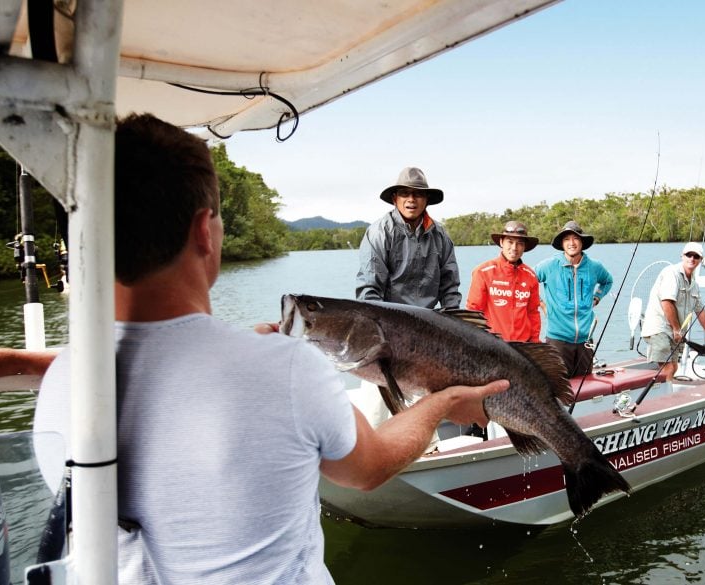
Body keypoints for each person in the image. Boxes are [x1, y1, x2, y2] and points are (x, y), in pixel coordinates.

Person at [31, 114, 507, 584]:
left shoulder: (62, 383)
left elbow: (449, 292)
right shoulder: (289, 366)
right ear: (205, 231)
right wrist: (443, 402)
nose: (412, 199)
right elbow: (369, 468)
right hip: (386, 339)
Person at [355, 167, 461, 309]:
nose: (411, 199)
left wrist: (452, 320)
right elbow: (369, 292)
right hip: (390, 318)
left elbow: (450, 289)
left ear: (426, 200)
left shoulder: (440, 235)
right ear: (395, 199)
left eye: (418, 194)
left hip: (431, 320)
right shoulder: (379, 233)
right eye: (404, 193)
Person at [534, 220, 613, 378]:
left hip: (586, 340)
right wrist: (541, 304)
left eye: (576, 238)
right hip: (558, 339)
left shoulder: (594, 266)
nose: (571, 243)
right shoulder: (549, 266)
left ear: (582, 242)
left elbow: (607, 281)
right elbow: (526, 282)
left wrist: (597, 297)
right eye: (566, 239)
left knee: (585, 386)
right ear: (562, 244)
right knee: (558, 387)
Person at [640, 241, 705, 381]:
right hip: (659, 328)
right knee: (668, 369)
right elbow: (666, 302)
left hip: (673, 332)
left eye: (696, 256)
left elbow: (700, 310)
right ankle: (665, 400)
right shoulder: (671, 273)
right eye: (688, 255)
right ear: (682, 256)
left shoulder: (694, 284)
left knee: (675, 367)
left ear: (700, 260)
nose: (692, 259)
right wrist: (677, 329)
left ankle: (668, 395)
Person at [466, 221, 542, 342]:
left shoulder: (531, 275)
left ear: (524, 247)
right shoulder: (483, 272)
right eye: (510, 242)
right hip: (493, 345)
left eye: (520, 243)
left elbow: (533, 313)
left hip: (523, 347)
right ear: (501, 242)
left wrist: (535, 343)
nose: (514, 248)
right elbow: (473, 312)